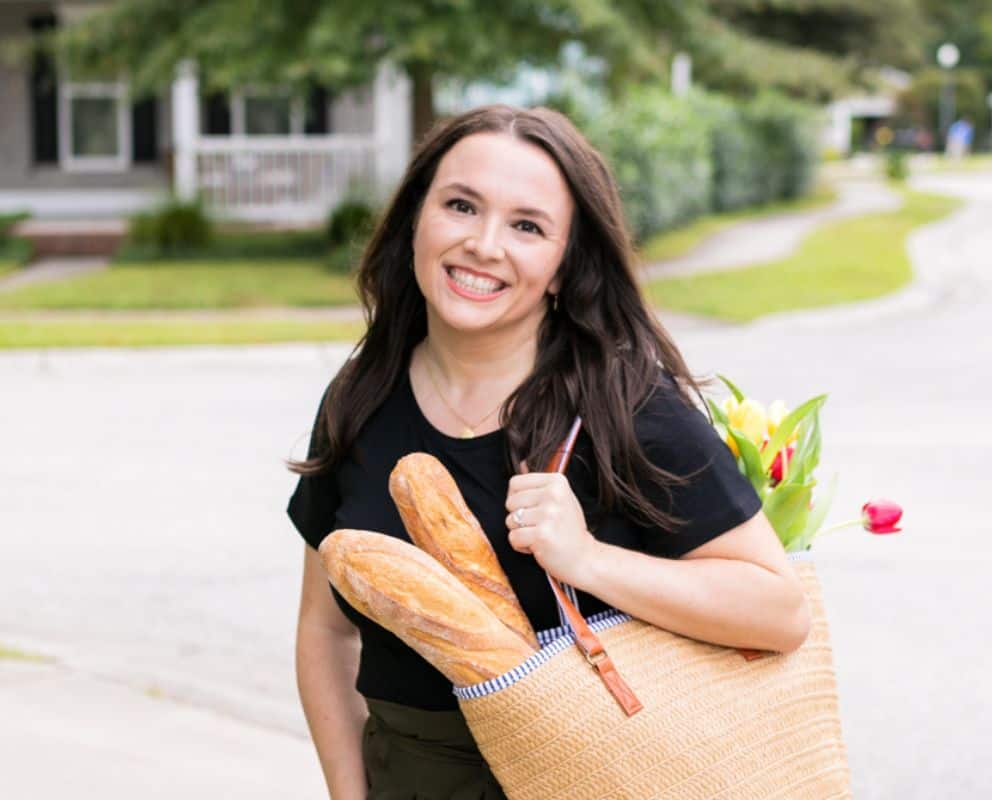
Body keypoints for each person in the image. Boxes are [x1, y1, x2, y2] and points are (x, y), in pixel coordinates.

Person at [285, 104, 810, 799]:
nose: (484, 244)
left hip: (596, 778)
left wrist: (588, 558)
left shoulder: (625, 407)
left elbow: (780, 612)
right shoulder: (362, 398)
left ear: (564, 266)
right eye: (462, 206)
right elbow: (324, 632)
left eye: (527, 226)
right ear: (417, 218)